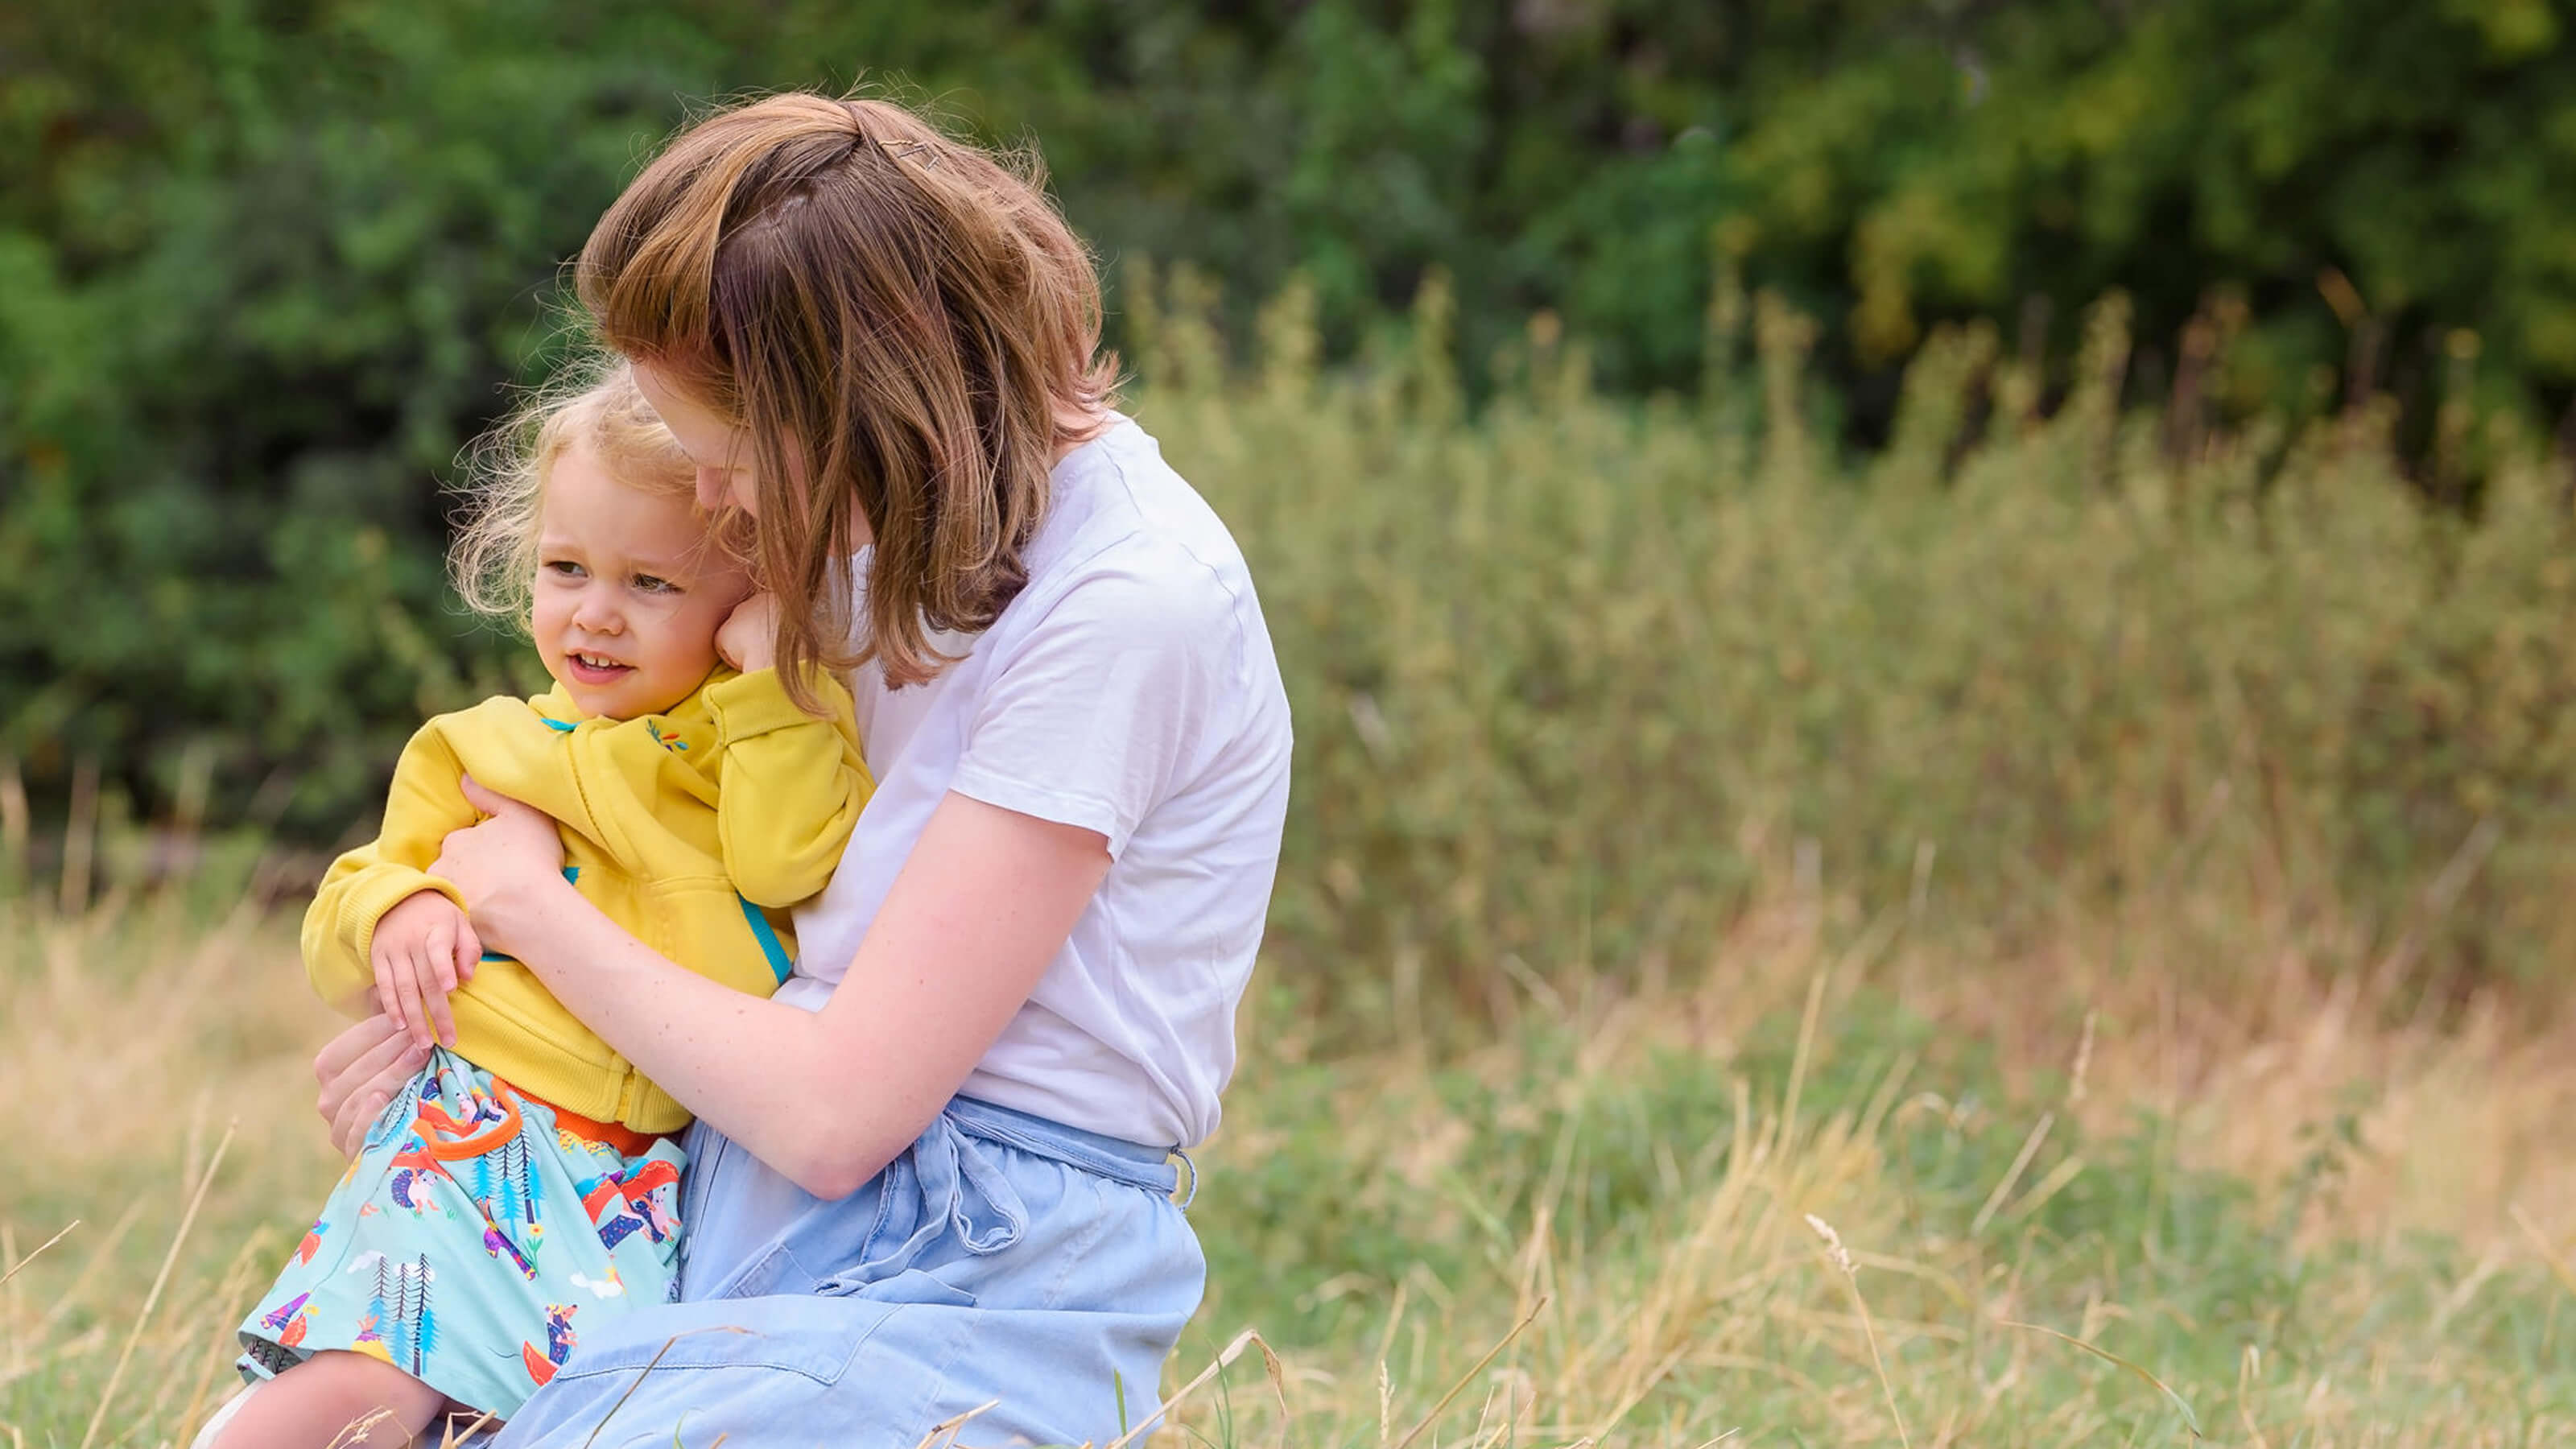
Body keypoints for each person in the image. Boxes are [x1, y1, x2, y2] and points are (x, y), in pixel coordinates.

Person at [279, 90, 1291, 1449]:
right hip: (703, 1175)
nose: (711, 507)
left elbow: (836, 1113)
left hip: (970, 1263)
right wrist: (481, 1056)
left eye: (724, 457)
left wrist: (526, 909)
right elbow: (675, 862)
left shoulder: (1122, 603)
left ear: (862, 402)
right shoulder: (884, 515)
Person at [211, 367, 873, 1446]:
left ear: (744, 599)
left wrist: (769, 685)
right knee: (362, 1387)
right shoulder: (483, 747)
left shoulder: (756, 743)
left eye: (652, 584)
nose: (595, 613)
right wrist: (402, 915)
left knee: (511, 1421)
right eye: (567, 569)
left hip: (642, 1178)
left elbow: (788, 866)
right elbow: (344, 906)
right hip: (470, 1134)